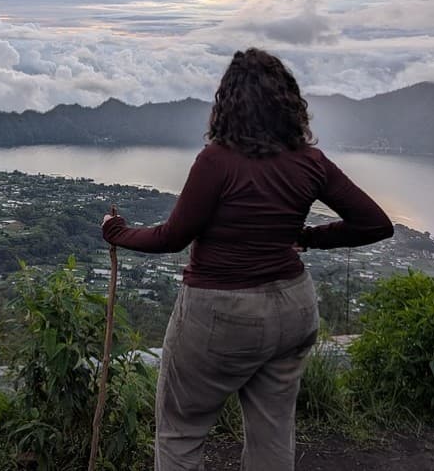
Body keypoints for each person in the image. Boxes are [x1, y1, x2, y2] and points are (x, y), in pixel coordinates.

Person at [100, 48, 393, 471]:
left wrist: (116, 232)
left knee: (181, 430)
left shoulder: (217, 161)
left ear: (227, 104)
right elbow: (375, 223)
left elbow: (173, 237)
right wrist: (305, 237)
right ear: (289, 103)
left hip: (221, 311)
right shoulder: (310, 161)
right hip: (294, 307)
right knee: (273, 431)